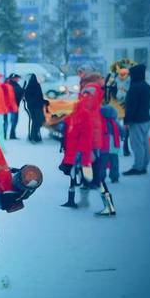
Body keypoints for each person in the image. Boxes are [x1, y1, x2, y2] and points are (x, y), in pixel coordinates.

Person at [59, 83, 114, 215]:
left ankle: (109, 206)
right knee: (84, 176)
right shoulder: (88, 108)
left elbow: (89, 132)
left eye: (86, 93)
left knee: (95, 178)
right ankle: (85, 201)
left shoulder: (88, 109)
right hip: (85, 148)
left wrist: (88, 152)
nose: (83, 96)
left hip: (88, 149)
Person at [122, 64, 150, 175]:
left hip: (136, 121)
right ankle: (144, 165)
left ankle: (138, 167)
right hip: (146, 119)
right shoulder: (146, 86)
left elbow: (131, 107)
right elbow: (149, 104)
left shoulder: (134, 88)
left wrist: (127, 121)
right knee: (145, 143)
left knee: (137, 144)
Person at [99, 105, 122, 184]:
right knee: (114, 163)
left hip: (104, 147)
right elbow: (122, 132)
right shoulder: (115, 123)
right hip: (114, 146)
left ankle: (101, 178)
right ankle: (114, 177)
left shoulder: (100, 122)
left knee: (102, 163)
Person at [23, 74, 47, 143]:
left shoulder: (28, 87)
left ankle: (33, 136)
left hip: (31, 107)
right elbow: (40, 97)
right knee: (39, 120)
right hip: (37, 107)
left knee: (34, 121)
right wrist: (44, 102)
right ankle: (35, 136)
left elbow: (27, 97)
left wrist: (30, 103)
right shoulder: (37, 86)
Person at [4, 74, 23, 139]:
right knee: (12, 121)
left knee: (12, 121)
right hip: (10, 106)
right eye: (16, 78)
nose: (17, 79)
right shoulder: (11, 85)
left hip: (11, 106)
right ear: (13, 78)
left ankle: (8, 135)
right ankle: (7, 135)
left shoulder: (14, 85)